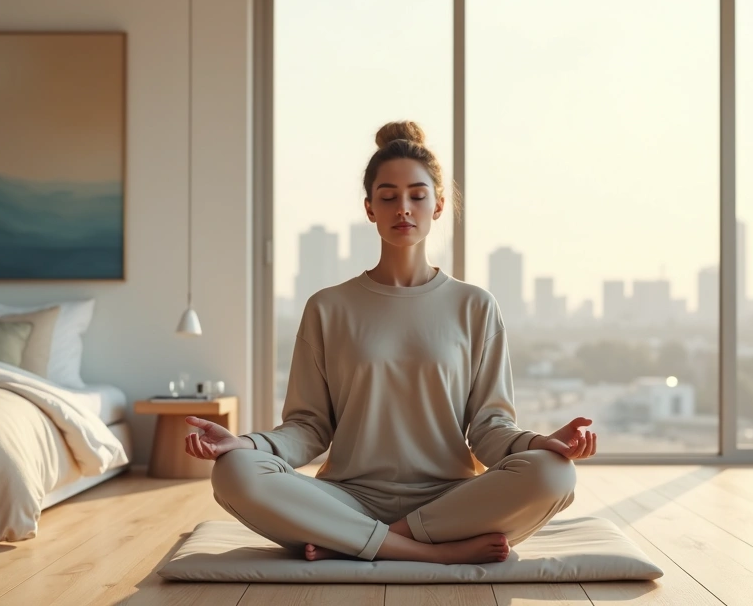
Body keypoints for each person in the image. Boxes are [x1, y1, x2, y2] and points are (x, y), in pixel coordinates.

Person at [184, 120, 598, 565]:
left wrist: (538, 445)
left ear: (438, 206)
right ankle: (433, 554)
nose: (403, 208)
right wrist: (245, 445)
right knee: (234, 473)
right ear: (369, 208)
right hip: (346, 498)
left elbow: (488, 429)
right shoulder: (328, 307)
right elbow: (309, 427)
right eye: (388, 196)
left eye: (417, 196)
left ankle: (364, 543)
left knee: (555, 474)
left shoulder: (475, 306)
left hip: (451, 502)